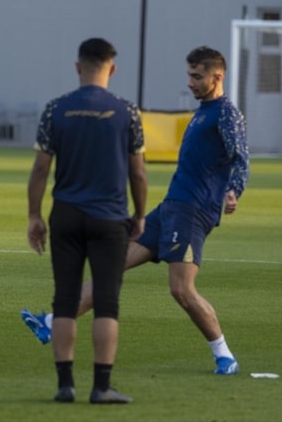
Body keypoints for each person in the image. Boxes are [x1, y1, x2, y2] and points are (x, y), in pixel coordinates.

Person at [22, 46, 249, 377]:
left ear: (218, 76)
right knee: (111, 268)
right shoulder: (203, 111)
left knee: (181, 289)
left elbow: (241, 157)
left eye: (197, 76)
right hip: (171, 207)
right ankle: (51, 322)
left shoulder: (226, 113)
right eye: (189, 75)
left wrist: (234, 190)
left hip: (192, 210)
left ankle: (224, 355)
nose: (190, 82)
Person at [25, 38, 147, 404]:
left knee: (64, 300)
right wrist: (140, 215)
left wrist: (34, 215)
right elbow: (138, 173)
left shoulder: (56, 109)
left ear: (78, 67)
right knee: (106, 302)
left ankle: (65, 385)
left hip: (66, 214)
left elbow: (40, 169)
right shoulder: (127, 111)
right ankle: (101, 386)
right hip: (110, 217)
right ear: (113, 68)